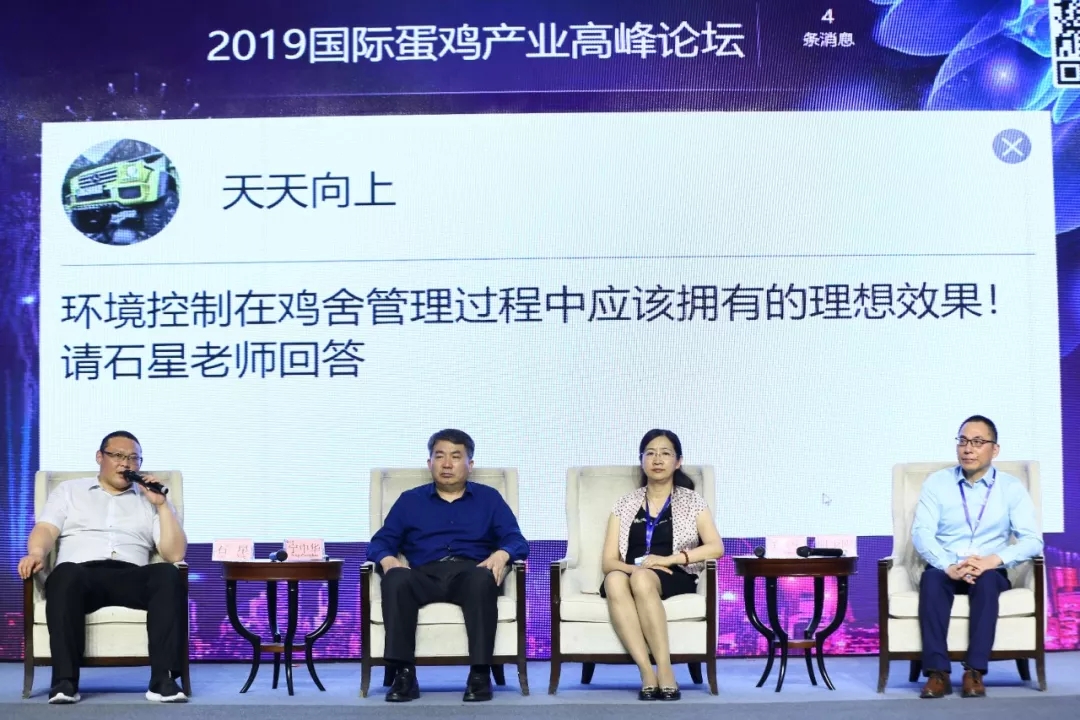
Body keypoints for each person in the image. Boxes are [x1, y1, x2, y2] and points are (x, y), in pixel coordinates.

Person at [16, 431, 188, 704]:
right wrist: (36, 552)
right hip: (80, 575)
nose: (126, 463)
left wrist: (162, 506)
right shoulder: (69, 491)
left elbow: (174, 553)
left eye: (133, 458)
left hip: (130, 575)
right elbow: (46, 529)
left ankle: (162, 681)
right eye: (118, 455)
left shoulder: (149, 498)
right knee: (64, 574)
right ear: (100, 457)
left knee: (168, 573)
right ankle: (64, 683)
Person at [366, 429, 529, 703]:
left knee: (482, 579)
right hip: (423, 574)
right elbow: (379, 542)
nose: (447, 464)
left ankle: (479, 674)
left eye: (455, 456)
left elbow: (517, 541)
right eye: (439, 456)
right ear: (429, 463)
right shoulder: (410, 500)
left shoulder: (489, 499)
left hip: (470, 573)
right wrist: (388, 559)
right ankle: (404, 674)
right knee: (394, 579)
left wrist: (503, 554)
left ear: (470, 464)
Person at [911, 415, 1043, 699]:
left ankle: (974, 671)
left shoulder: (1011, 488)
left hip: (990, 569)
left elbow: (1033, 540)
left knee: (986, 582)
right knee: (931, 580)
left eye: (977, 442)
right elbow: (921, 533)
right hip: (947, 566)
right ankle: (937, 673)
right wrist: (948, 565)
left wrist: (992, 560)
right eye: (963, 441)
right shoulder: (937, 483)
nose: (968, 449)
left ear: (994, 449)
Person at [600, 429, 724, 701]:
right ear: (641, 460)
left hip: (673, 573)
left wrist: (669, 559)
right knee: (614, 579)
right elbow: (609, 561)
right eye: (650, 453)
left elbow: (716, 547)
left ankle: (665, 670)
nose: (657, 460)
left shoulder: (691, 501)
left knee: (642, 579)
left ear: (678, 462)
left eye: (665, 453)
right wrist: (636, 568)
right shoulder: (624, 504)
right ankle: (647, 672)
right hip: (631, 572)